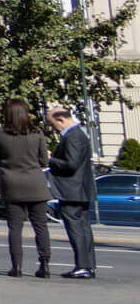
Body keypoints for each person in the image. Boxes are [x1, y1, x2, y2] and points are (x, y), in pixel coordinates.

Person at [0, 97, 54, 279]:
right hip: (36, 183)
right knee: (41, 226)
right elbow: (43, 161)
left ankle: (16, 266)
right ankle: (45, 264)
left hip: (12, 183)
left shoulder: (0, 133)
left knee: (15, 227)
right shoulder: (37, 133)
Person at [46, 105, 99, 279]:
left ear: (61, 120)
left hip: (71, 190)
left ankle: (83, 266)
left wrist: (51, 160)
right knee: (83, 228)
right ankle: (87, 265)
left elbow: (71, 164)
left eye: (53, 125)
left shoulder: (73, 136)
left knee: (76, 229)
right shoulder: (78, 135)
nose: (53, 129)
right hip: (79, 190)